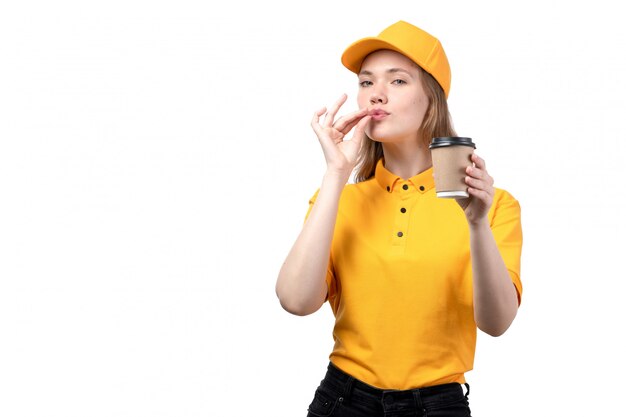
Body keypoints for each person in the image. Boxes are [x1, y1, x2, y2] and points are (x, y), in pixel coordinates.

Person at [275, 20, 522, 417]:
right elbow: (295, 301)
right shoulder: (337, 198)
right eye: (367, 82)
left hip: (439, 405)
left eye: (399, 82)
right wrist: (336, 174)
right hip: (342, 401)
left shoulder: (494, 205)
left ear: (433, 99)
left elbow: (496, 324)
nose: (377, 95)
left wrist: (476, 224)